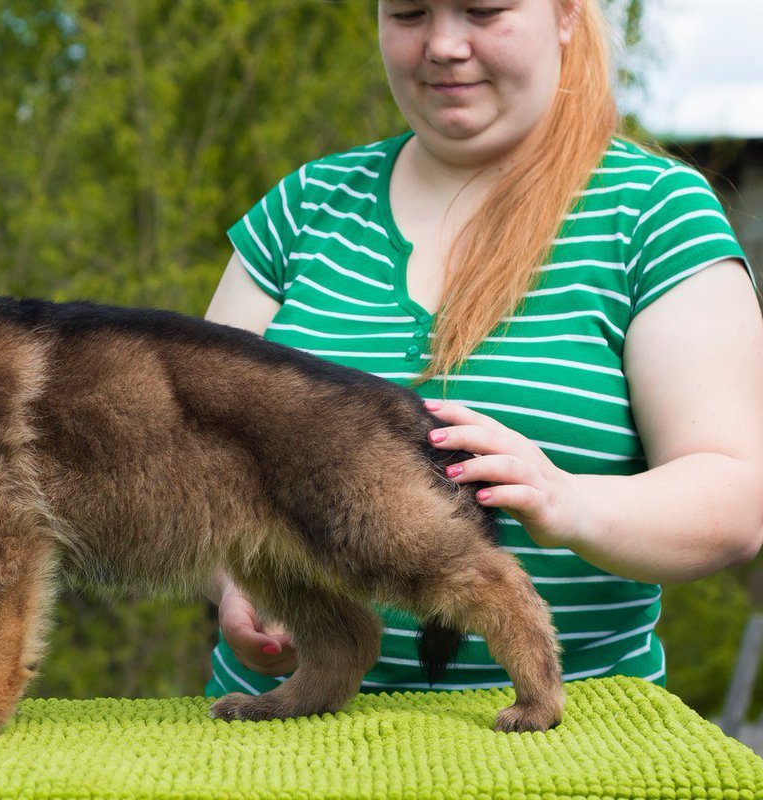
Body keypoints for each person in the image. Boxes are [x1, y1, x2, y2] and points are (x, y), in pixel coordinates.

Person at [203, 0, 763, 698]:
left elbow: (736, 496)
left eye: (482, 10)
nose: (442, 44)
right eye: (408, 14)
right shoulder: (303, 208)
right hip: (280, 739)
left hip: (561, 747)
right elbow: (200, 457)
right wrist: (238, 582)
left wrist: (570, 502)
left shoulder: (654, 213)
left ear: (564, 14)